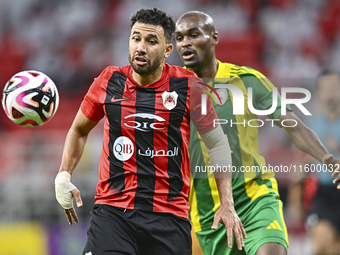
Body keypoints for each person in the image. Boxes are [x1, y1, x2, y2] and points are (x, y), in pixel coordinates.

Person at [54, 8, 246, 255]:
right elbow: (79, 129)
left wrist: (227, 204)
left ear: (168, 50)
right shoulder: (109, 81)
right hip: (113, 212)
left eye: (151, 41)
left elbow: (218, 144)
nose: (141, 47)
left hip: (169, 217)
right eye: (136, 38)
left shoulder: (189, 87)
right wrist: (63, 175)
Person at [175, 11, 340, 255]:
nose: (185, 42)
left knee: (271, 251)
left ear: (214, 38)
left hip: (254, 197)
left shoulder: (247, 80)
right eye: (179, 37)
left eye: (194, 34)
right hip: (205, 212)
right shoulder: (172, 94)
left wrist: (326, 158)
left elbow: (292, 124)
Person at [288, 71, 340, 255]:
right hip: (324, 193)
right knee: (321, 246)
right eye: (326, 88)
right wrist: (295, 196)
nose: (331, 92)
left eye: (334, 87)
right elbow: (302, 161)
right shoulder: (312, 124)